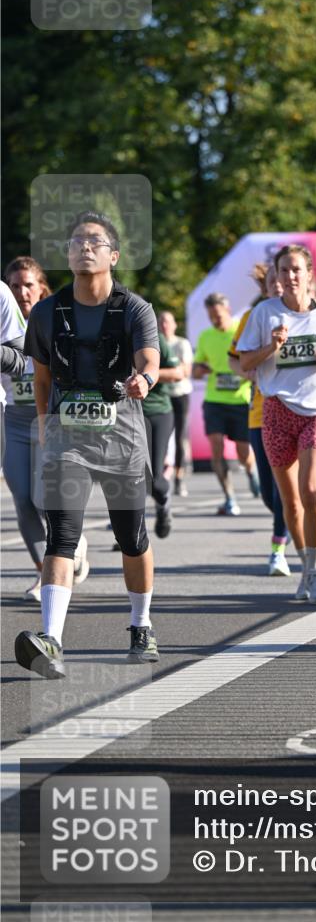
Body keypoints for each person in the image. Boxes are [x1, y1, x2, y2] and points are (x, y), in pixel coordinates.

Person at [14, 211, 160, 679]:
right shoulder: (47, 311)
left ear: (113, 256)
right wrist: (44, 424)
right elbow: (40, 374)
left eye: (95, 242)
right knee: (62, 536)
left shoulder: (134, 308)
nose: (84, 248)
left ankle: (141, 624)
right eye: (76, 241)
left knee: (131, 538)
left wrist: (145, 379)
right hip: (67, 439)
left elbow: (149, 356)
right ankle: (52, 640)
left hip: (123, 439)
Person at [236, 244, 316, 603]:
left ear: (309, 275)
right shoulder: (264, 313)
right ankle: (305, 568)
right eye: (283, 270)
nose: (289, 276)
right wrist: (271, 347)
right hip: (276, 411)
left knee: (313, 491)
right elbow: (245, 363)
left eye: (296, 270)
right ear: (276, 275)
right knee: (289, 501)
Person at [3, 259, 90, 601]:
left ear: (41, 286)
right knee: (23, 500)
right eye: (14, 286)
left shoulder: (56, 318)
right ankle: (45, 575)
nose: (22, 292)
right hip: (12, 418)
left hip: (51, 417)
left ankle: (70, 544)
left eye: (28, 284)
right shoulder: (2, 319)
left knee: (45, 500)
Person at [228, 261, 291, 576]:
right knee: (268, 491)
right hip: (259, 412)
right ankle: (288, 520)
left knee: (283, 489)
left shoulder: (302, 316)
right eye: (271, 283)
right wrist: (249, 372)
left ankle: (278, 547)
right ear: (265, 288)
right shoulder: (252, 319)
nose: (278, 286)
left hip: (295, 411)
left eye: (281, 280)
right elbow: (233, 359)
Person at [193, 293, 259, 516]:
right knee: (216, 446)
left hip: (240, 400)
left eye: (218, 315)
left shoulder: (241, 330)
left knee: (243, 452)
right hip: (214, 401)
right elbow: (196, 367)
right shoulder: (205, 336)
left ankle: (251, 471)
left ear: (227, 310)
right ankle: (229, 497)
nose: (216, 320)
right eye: (211, 317)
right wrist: (199, 370)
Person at [141, 330, 184, 538]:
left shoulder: (151, 335)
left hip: (157, 412)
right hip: (121, 417)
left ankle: (163, 503)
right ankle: (128, 531)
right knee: (124, 477)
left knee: (154, 479)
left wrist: (145, 376)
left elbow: (177, 373)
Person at [158, 310, 193, 497]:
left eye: (168, 321)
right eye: (161, 322)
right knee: (161, 436)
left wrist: (162, 373)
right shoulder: (153, 343)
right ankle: (161, 472)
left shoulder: (182, 343)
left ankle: (179, 476)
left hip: (180, 394)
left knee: (180, 437)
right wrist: (171, 370)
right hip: (162, 395)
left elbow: (185, 371)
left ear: (174, 325)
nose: (164, 325)